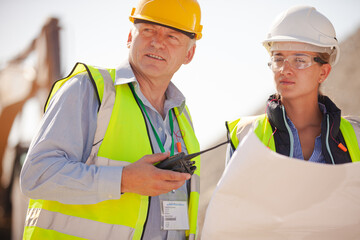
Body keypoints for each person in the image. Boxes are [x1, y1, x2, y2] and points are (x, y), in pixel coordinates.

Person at [20, 0, 203, 239]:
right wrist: (123, 180)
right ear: (130, 36)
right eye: (148, 30)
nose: (157, 42)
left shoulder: (181, 117)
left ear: (189, 53)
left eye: (171, 37)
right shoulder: (89, 90)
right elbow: (37, 176)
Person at [226, 6, 360, 164]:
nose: (284, 70)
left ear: (323, 72)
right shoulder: (246, 135)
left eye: (299, 60)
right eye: (278, 59)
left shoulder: (356, 136)